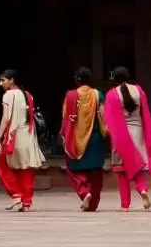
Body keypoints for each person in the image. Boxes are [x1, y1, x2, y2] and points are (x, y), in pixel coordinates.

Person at [103, 66, 151, 212]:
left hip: (121, 134)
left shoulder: (111, 95)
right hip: (137, 131)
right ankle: (142, 189)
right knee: (135, 165)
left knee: (122, 170)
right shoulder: (139, 91)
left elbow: (109, 119)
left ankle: (125, 205)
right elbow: (145, 113)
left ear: (114, 79)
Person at [0, 69, 45, 212]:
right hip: (28, 137)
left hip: (14, 137)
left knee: (3, 165)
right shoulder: (28, 95)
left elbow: (6, 118)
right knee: (26, 169)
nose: (1, 83)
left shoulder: (8, 95)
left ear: (12, 80)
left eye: (3, 80)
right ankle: (26, 202)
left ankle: (17, 195)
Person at [62, 67, 107, 212]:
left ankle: (84, 193)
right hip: (95, 138)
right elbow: (103, 115)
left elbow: (65, 116)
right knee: (95, 172)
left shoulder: (70, 95)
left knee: (74, 170)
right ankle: (93, 204)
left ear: (77, 80)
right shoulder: (98, 94)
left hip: (76, 139)